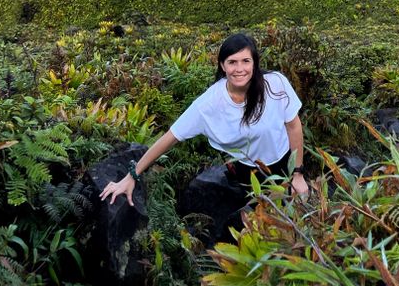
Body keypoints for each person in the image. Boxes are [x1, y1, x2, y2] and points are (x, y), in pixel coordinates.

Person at [100, 32, 309, 208]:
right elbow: (170, 137)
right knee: (265, 216)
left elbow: (293, 126)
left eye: (246, 61)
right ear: (222, 65)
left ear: (254, 62)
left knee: (293, 211)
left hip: (285, 160)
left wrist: (297, 173)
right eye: (232, 62)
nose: (240, 69)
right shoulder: (209, 103)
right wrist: (132, 176)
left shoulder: (275, 84)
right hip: (247, 169)